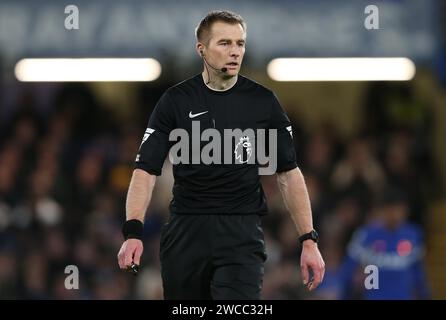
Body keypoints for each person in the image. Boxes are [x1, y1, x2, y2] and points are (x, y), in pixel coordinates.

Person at [117, 10, 325, 299]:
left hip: (241, 234)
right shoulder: (175, 101)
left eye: (240, 43)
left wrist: (308, 240)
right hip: (186, 232)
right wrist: (133, 232)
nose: (235, 51)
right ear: (201, 49)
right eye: (225, 43)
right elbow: (145, 170)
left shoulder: (263, 103)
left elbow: (288, 173)